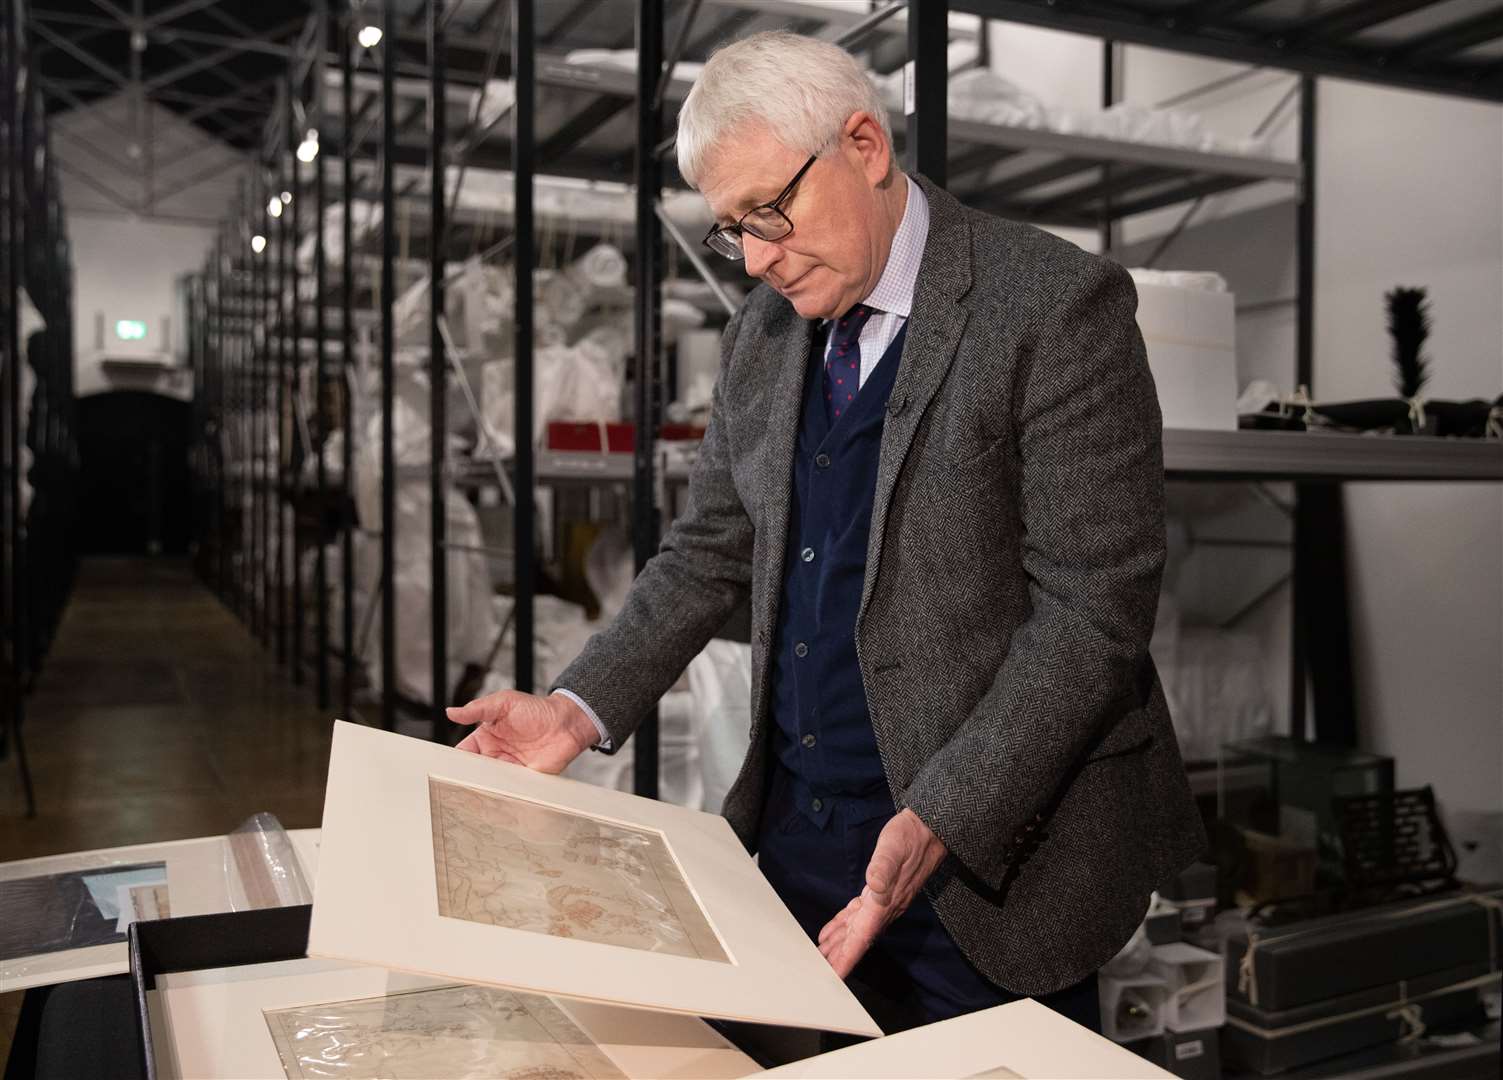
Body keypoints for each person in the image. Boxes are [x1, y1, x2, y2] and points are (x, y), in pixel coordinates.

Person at [446, 30, 1205, 1034]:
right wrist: (579, 709)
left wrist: (945, 815)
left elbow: (1093, 614)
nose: (758, 258)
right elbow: (710, 550)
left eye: (771, 211)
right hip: (799, 842)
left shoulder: (1052, 308)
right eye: (731, 230)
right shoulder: (762, 337)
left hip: (992, 867)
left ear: (864, 145)